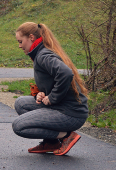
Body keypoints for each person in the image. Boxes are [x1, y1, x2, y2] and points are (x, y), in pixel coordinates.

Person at [12, 22, 89, 156]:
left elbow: (66, 74)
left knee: (19, 126)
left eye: (20, 41)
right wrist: (43, 94)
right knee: (21, 103)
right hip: (64, 108)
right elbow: (54, 80)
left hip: (71, 113)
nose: (19, 46)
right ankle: (51, 142)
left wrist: (52, 98)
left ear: (31, 37)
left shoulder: (43, 55)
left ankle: (66, 136)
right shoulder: (40, 53)